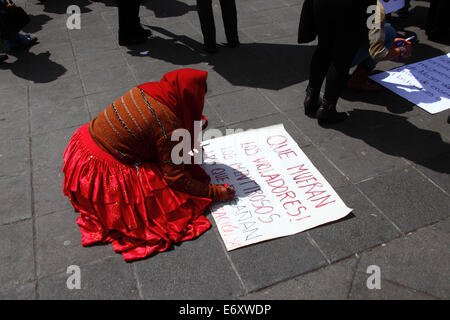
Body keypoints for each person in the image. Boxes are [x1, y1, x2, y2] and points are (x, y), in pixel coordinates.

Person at [62, 69, 235, 262]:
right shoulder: (169, 127)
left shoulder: (149, 89)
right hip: (103, 171)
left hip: (80, 150)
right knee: (163, 199)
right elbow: (176, 179)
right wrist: (214, 192)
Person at [301, 0, 411, 125]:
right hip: (354, 10)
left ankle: (310, 99)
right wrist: (400, 49)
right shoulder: (373, 6)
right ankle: (327, 109)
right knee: (341, 59)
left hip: (323, 4)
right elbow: (377, 53)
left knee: (323, 49)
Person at [347, 1, 412, 91]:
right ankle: (358, 80)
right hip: (341, 59)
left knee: (385, 32)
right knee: (389, 32)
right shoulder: (373, 9)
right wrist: (402, 49)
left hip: (324, 56)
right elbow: (378, 54)